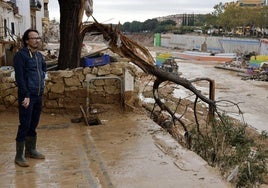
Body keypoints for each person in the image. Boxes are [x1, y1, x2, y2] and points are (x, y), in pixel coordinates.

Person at [13, 29, 46, 167]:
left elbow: (43, 69)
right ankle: (19, 155)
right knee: (25, 124)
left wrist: (43, 78)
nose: (37, 40)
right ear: (27, 40)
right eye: (33, 38)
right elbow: (20, 78)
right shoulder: (21, 56)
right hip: (27, 96)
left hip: (38, 94)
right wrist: (26, 94)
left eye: (38, 38)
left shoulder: (39, 55)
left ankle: (31, 150)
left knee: (34, 123)